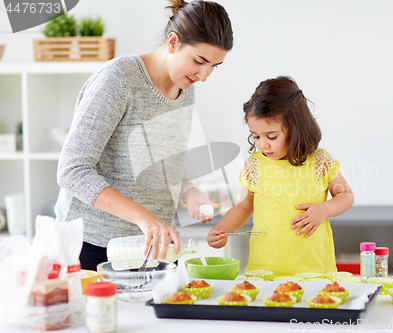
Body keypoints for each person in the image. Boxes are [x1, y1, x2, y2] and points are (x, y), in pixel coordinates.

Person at [55, 0, 233, 270]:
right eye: (199, 61)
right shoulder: (119, 79)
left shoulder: (185, 87)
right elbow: (72, 170)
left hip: (150, 247)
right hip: (91, 245)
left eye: (214, 66)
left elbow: (165, 161)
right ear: (172, 42)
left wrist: (188, 190)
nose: (204, 75)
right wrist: (144, 217)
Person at [207, 76, 354, 277]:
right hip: (265, 271)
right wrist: (221, 229)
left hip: (314, 271)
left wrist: (324, 209)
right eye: (255, 136)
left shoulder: (319, 160)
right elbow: (244, 206)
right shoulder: (255, 164)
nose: (262, 144)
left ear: (296, 129)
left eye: (271, 136)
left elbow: (345, 195)